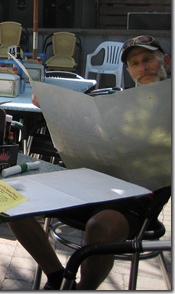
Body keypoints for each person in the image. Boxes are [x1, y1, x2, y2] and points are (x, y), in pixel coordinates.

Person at [12, 35, 170, 290]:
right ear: (129, 71)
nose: (143, 67)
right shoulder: (119, 103)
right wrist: (52, 107)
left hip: (140, 198)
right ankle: (58, 278)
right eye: (135, 63)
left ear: (166, 61)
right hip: (93, 183)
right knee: (11, 199)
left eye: (148, 59)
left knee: (101, 227)